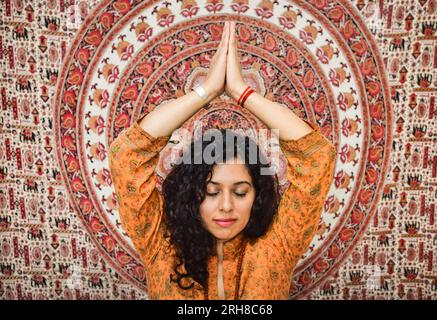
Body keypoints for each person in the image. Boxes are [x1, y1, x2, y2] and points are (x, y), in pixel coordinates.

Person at [109, 21, 337, 299]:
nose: (226, 206)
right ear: (191, 195)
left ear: (257, 196)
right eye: (211, 191)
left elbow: (317, 157)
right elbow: (126, 155)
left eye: (240, 192)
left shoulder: (277, 246)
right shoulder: (160, 245)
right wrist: (206, 92)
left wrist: (243, 93)